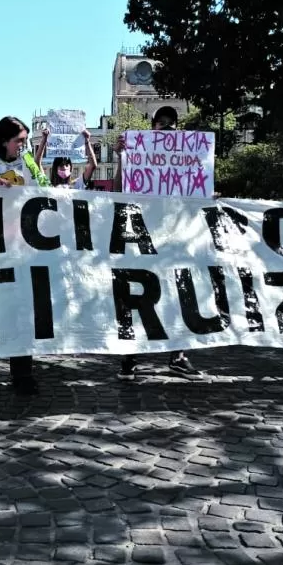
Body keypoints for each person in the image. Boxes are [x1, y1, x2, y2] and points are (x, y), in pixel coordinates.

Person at [114, 105, 199, 379]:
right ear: (152, 128)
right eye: (161, 123)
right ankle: (129, 356)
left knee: (179, 293)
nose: (166, 127)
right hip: (141, 236)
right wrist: (121, 159)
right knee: (137, 295)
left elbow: (197, 192)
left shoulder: (187, 154)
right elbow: (117, 191)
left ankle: (178, 355)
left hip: (174, 237)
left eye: (171, 123)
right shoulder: (137, 155)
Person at [0, 116, 48, 396]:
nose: (23, 146)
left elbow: (44, 191)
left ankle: (23, 374)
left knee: (21, 314)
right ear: (4, 140)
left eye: (25, 141)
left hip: (22, 251)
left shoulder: (29, 165)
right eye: (19, 141)